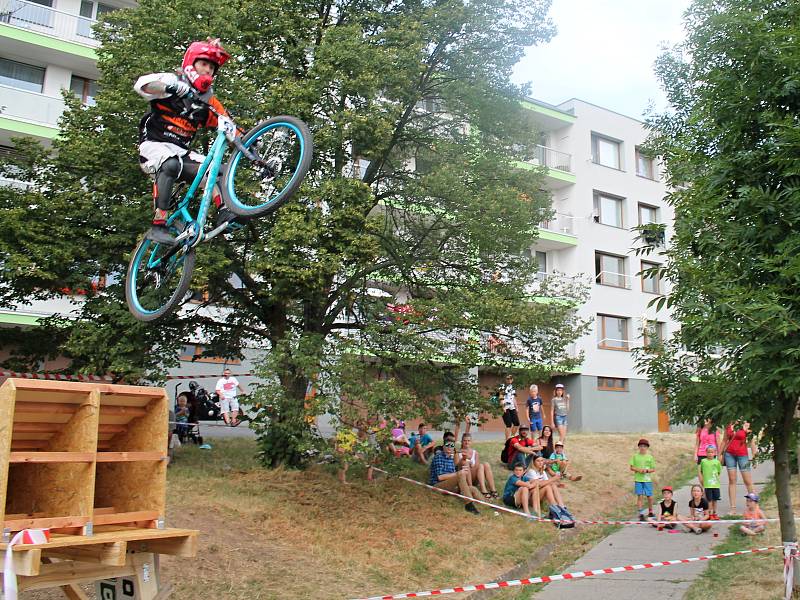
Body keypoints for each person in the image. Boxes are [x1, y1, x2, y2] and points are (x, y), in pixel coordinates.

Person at [134, 38, 239, 245]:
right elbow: (142, 86)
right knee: (170, 164)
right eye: (204, 64)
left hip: (182, 152)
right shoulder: (174, 80)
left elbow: (231, 129)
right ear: (192, 64)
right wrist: (171, 87)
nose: (208, 70)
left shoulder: (208, 101)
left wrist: (254, 151)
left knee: (220, 170)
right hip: (153, 146)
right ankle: (158, 224)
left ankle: (224, 212)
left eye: (212, 68)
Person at [428, 440, 483, 514]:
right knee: (460, 475)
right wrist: (458, 473)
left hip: (449, 486)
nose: (449, 447)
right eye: (447, 445)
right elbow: (440, 477)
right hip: (437, 486)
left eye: (452, 446)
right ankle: (469, 504)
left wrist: (463, 461)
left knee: (472, 488)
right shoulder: (439, 457)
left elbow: (454, 473)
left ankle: (488, 505)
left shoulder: (451, 459)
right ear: (443, 446)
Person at [721, 421, 757, 512]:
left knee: (747, 480)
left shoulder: (746, 424)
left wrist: (754, 455)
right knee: (732, 480)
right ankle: (733, 508)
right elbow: (725, 440)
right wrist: (719, 455)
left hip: (742, 455)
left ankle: (755, 506)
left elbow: (752, 441)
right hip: (729, 454)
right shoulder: (729, 424)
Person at [527, 455, 574, 521]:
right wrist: (553, 478)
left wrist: (557, 484)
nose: (540, 463)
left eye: (542, 461)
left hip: (539, 496)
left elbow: (547, 482)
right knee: (547, 487)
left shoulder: (542, 471)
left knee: (552, 485)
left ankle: (562, 507)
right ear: (533, 462)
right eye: (538, 461)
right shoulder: (531, 471)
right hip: (532, 498)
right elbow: (539, 484)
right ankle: (555, 509)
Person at [460, 433, 498, 499]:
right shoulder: (459, 452)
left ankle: (493, 490)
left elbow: (477, 467)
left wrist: (471, 461)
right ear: (462, 441)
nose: (467, 442)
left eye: (468, 440)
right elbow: (458, 466)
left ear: (471, 442)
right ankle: (483, 490)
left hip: (475, 477)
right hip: (466, 478)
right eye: (465, 440)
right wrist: (466, 460)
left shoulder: (475, 453)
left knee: (485, 464)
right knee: (466, 463)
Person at [630, 438, 656, 521]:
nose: (642, 448)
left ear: (647, 447)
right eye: (641, 446)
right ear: (638, 447)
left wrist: (647, 470)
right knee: (640, 496)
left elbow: (653, 469)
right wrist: (638, 470)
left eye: (644, 446)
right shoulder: (635, 456)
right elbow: (631, 467)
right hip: (638, 479)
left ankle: (651, 511)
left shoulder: (650, 457)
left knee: (650, 496)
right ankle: (641, 513)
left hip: (647, 479)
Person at [698, 445, 722, 519]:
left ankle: (715, 513)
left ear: (714, 453)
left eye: (712, 452)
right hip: (707, 485)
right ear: (706, 453)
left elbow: (719, 472)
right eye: (708, 452)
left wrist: (715, 478)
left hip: (715, 485)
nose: (710, 454)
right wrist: (702, 480)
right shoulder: (703, 461)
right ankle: (710, 513)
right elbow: (701, 471)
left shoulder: (717, 462)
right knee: (709, 500)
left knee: (715, 499)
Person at [501, 374, 520, 439]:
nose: (509, 380)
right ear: (506, 379)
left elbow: (513, 398)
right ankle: (507, 440)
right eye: (508, 379)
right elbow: (500, 397)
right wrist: (503, 406)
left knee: (516, 423)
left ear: (512, 380)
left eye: (510, 379)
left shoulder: (512, 387)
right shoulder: (502, 386)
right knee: (508, 424)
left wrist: (516, 407)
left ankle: (511, 437)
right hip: (505, 406)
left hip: (512, 407)